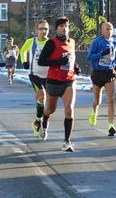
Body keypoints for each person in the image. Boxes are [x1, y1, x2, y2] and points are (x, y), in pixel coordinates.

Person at [37, 16, 81, 152]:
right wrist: (58, 62)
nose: (64, 28)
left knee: (69, 109)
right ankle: (44, 121)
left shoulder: (72, 42)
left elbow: (71, 60)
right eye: (61, 26)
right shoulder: (52, 42)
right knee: (50, 109)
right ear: (56, 29)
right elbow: (41, 61)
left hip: (69, 80)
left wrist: (76, 67)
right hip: (53, 81)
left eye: (65, 26)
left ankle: (67, 142)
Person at [87, 22, 116, 136]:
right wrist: (101, 54)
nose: (109, 31)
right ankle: (94, 111)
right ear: (102, 31)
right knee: (97, 101)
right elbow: (89, 57)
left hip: (109, 72)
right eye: (107, 29)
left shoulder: (115, 42)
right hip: (97, 72)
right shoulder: (98, 41)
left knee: (111, 99)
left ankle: (111, 125)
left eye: (111, 29)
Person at [20, 19, 50, 137]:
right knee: (42, 95)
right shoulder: (31, 41)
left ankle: (37, 121)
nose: (43, 31)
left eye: (46, 29)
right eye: (41, 29)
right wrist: (24, 61)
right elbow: (23, 51)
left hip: (48, 75)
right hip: (34, 74)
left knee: (42, 100)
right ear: (37, 30)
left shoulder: (51, 42)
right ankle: (39, 121)